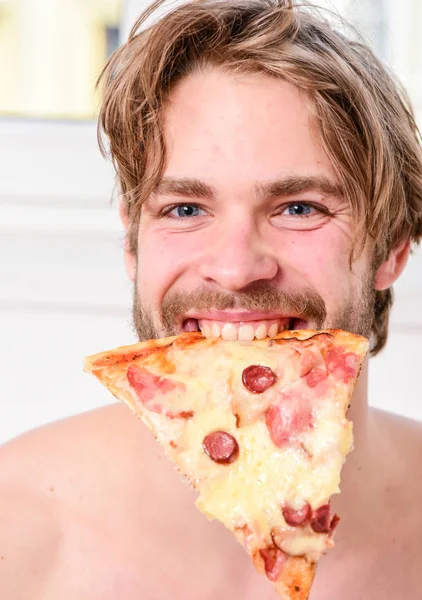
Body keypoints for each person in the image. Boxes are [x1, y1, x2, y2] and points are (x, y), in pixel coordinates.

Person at [1, 1, 422, 598]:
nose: (235, 268)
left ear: (393, 244)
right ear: (132, 240)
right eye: (186, 209)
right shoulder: (14, 537)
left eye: (299, 207)